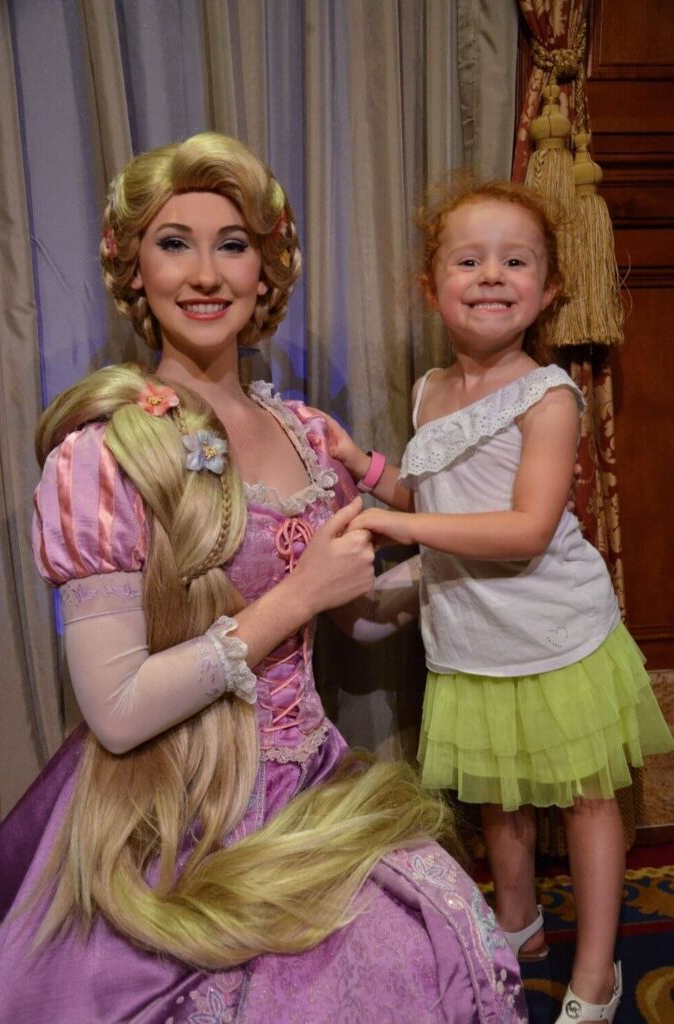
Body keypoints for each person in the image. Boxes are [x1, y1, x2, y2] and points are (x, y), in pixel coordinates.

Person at [0, 136, 528, 1024]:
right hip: (173, 808)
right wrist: (301, 593)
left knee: (430, 934)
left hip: (309, 779)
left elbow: (351, 617)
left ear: (266, 267)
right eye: (174, 242)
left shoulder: (308, 432)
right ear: (133, 266)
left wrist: (463, 572)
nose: (204, 273)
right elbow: (118, 710)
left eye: (231, 244)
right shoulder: (102, 456)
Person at [324, 179, 674, 1024]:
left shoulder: (548, 396)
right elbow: (434, 494)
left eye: (513, 262)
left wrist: (394, 524)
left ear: (548, 288)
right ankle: (516, 925)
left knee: (587, 801)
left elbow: (522, 528)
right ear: (429, 284)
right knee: (499, 795)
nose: (490, 276)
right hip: (470, 632)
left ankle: (596, 969)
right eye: (467, 260)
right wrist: (370, 469)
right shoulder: (428, 390)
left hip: (552, 629)